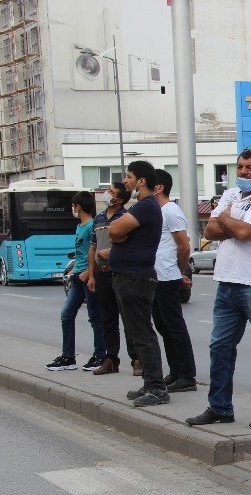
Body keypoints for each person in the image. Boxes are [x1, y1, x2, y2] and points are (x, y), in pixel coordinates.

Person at [186, 148, 251, 429]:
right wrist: (238, 226)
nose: (243, 172)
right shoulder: (230, 195)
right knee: (220, 346)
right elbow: (210, 231)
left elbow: (241, 232)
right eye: (240, 167)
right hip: (227, 280)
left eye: (249, 168)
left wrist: (231, 223)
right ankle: (220, 407)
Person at [107, 160, 168, 407]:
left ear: (141, 181)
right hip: (127, 276)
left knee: (142, 333)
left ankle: (157, 387)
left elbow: (113, 230)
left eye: (129, 177)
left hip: (136, 277)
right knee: (136, 332)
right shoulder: (142, 206)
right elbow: (116, 231)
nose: (125, 181)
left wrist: (118, 235)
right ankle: (149, 383)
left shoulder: (145, 206)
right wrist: (118, 235)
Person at [46, 191, 106, 372]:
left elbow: (96, 251)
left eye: (73, 205)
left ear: (78, 206)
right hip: (77, 276)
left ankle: (100, 356)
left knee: (95, 317)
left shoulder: (92, 226)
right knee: (67, 314)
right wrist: (74, 270)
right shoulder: (80, 226)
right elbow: (81, 253)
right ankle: (68, 357)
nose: (72, 209)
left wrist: (89, 272)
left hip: (88, 277)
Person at [150, 168, 197, 393]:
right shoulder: (157, 211)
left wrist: (179, 272)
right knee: (163, 325)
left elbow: (184, 246)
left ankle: (187, 376)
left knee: (174, 326)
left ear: (158, 188)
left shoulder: (171, 211)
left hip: (168, 276)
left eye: (147, 185)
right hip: (156, 276)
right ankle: (175, 371)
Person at [87, 182, 135, 375]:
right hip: (102, 275)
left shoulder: (126, 217)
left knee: (128, 319)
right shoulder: (98, 218)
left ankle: (136, 360)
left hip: (120, 273)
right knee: (107, 320)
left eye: (111, 192)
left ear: (120, 199)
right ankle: (111, 359)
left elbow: (131, 244)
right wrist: (91, 274)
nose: (106, 194)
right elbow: (92, 247)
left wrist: (113, 253)